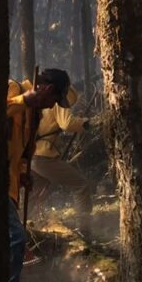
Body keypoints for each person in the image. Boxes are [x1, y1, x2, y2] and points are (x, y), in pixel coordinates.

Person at [5, 68, 70, 282]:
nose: (52, 106)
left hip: (8, 187)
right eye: (54, 100)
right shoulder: (13, 89)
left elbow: (22, 153)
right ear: (48, 90)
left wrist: (23, 172)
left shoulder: (34, 118)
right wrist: (24, 100)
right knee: (15, 239)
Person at [32, 84, 95, 221]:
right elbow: (67, 124)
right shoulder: (59, 102)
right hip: (43, 157)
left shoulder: (42, 103)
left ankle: (31, 227)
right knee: (80, 185)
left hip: (32, 156)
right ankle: (85, 227)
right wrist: (86, 123)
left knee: (34, 195)